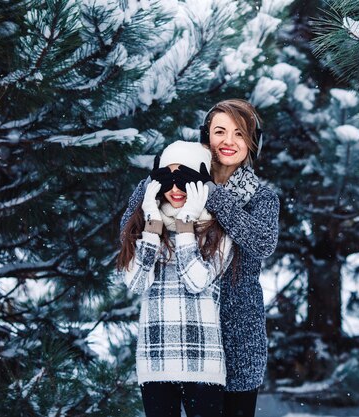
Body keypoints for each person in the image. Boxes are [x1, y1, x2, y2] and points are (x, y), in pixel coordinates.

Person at [121, 99, 280, 417]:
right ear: (205, 136)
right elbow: (129, 232)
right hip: (177, 334)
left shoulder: (260, 197)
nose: (228, 141)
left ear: (252, 142)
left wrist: (209, 192)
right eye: (220, 131)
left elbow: (261, 243)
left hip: (236, 335)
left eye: (239, 133)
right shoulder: (166, 181)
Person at [117, 140, 233, 417]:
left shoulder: (219, 233)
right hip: (156, 361)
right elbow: (136, 283)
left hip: (202, 359)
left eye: (185, 179)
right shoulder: (144, 228)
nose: (175, 189)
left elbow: (196, 281)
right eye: (166, 179)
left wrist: (185, 227)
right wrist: (152, 226)